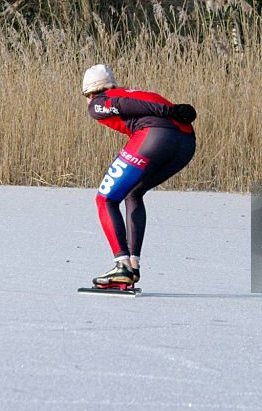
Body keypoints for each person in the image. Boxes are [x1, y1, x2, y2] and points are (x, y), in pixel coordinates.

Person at [82, 64, 197, 289]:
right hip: (186, 142)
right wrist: (173, 111)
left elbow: (121, 105)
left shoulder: (99, 102)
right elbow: (144, 102)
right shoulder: (131, 90)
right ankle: (133, 265)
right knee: (133, 193)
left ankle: (121, 265)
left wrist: (169, 112)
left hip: (154, 136)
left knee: (105, 198)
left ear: (90, 92)